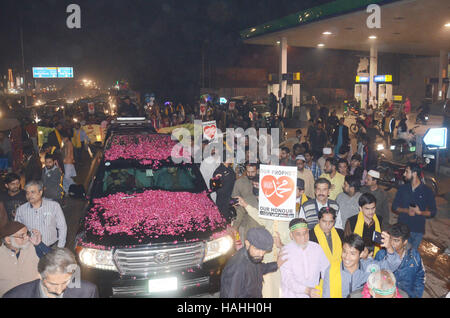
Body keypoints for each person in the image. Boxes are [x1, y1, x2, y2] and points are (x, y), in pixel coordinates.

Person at [321, 233, 401, 298]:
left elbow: (393, 264)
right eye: (344, 252)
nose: (346, 257)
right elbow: (326, 295)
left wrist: (389, 247)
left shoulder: (369, 268)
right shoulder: (332, 270)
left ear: (361, 254)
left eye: (352, 253)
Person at [3, 248, 98, 298]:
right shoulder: (15, 296)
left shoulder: (87, 292)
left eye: (65, 282)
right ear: (40, 276)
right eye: (53, 284)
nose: (59, 291)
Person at [220, 227, 286, 298]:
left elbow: (260, 268)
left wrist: (276, 264)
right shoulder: (237, 268)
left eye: (264, 250)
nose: (261, 254)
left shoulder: (253, 257)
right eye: (257, 249)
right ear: (247, 244)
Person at [280, 218, 329, 298]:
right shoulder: (285, 252)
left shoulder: (317, 248)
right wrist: (307, 290)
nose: (303, 237)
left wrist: (324, 288)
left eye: (305, 233)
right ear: (291, 235)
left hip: (314, 294)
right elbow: (288, 280)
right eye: (298, 234)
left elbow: (326, 271)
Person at [391, 163, 436, 250]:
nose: (404, 174)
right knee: (400, 254)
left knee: (412, 256)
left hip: (417, 230)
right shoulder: (402, 189)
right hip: (402, 229)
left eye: (407, 171)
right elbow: (394, 207)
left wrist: (420, 212)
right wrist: (406, 211)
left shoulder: (427, 191)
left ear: (414, 173)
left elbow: (433, 211)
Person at [0, 222, 51, 296]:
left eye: (27, 233)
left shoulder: (33, 247)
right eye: (22, 236)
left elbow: (56, 259)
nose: (27, 237)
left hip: (34, 295)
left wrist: (40, 245)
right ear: (8, 240)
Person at [374, 223, 425, 298]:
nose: (391, 243)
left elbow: (420, 277)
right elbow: (374, 279)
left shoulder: (414, 256)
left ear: (404, 242)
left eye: (396, 240)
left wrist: (416, 295)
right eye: (390, 239)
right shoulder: (381, 255)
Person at [15, 181, 67, 248]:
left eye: (33, 192)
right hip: (30, 248)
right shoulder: (21, 210)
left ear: (40, 192)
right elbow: (17, 230)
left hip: (51, 247)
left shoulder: (54, 206)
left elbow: (62, 227)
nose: (29, 195)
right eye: (27, 193)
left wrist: (60, 247)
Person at [344, 193, 383, 258]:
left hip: (375, 256)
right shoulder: (351, 221)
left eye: (373, 208)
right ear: (360, 208)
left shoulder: (379, 220)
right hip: (356, 257)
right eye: (367, 209)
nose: (371, 212)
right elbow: (347, 244)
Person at [231, 164, 260, 241]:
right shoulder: (239, 182)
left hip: (260, 224)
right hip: (244, 221)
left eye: (253, 172)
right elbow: (234, 201)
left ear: (257, 170)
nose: (250, 174)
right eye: (248, 172)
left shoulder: (263, 180)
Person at [212, 152, 236, 222]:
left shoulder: (230, 168)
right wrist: (225, 195)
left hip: (230, 196)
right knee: (222, 217)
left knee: (230, 216)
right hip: (223, 198)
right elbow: (216, 187)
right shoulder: (219, 171)